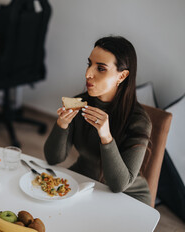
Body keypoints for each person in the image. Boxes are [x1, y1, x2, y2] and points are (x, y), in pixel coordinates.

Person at [44, 36, 152, 205]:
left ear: (122, 76)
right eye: (89, 64)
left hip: (128, 197)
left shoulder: (139, 121)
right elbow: (52, 159)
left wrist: (106, 137)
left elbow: (119, 185)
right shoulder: (79, 104)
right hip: (85, 181)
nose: (88, 74)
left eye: (101, 68)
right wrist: (62, 125)